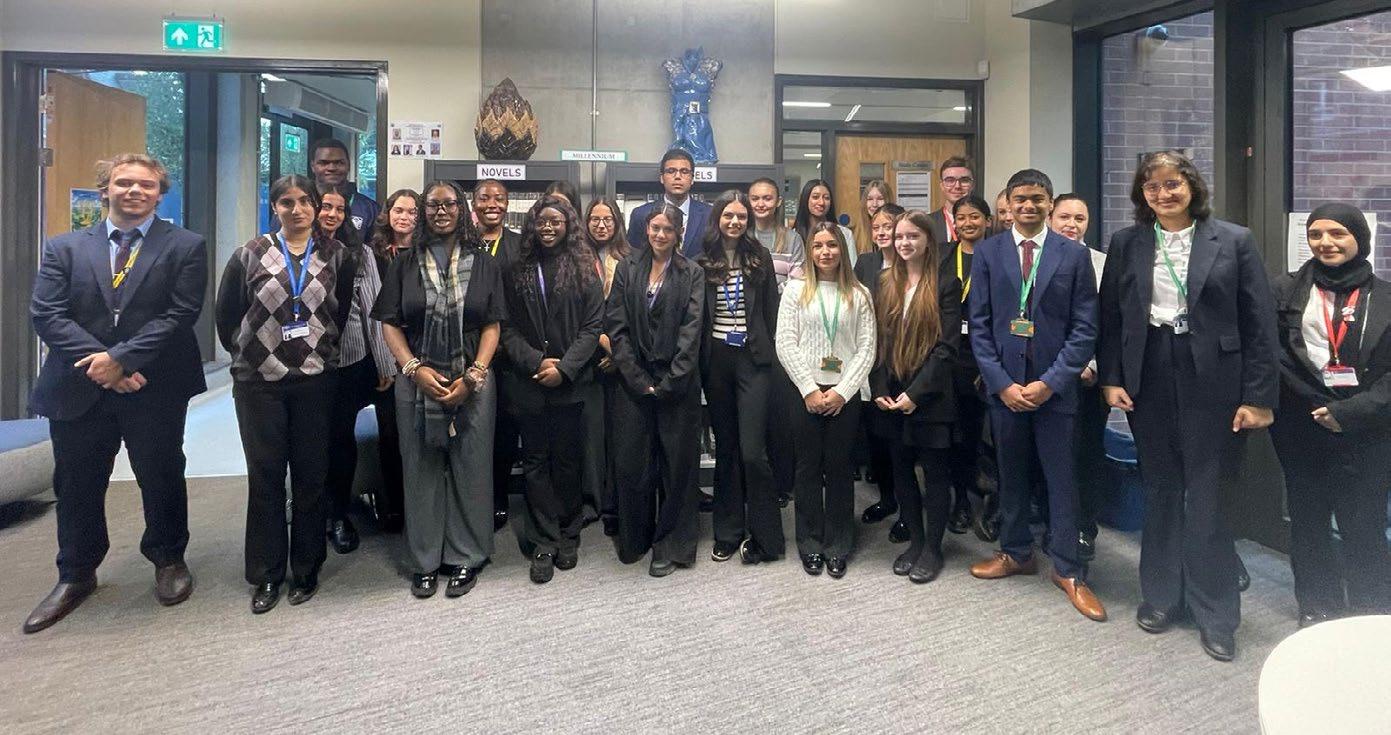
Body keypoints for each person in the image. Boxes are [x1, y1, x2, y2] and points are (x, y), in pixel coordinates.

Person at [1097, 150, 1278, 661]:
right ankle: (1161, 597)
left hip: (1214, 379)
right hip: (1149, 371)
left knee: (1208, 495)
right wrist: (1111, 379)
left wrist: (1259, 397)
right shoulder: (1127, 242)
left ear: (1192, 186)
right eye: (1152, 187)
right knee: (1159, 488)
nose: (1163, 194)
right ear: (1142, 195)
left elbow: (1260, 323)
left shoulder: (1234, 240)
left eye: (1173, 184)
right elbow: (1112, 317)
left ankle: (1215, 612)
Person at [24, 153, 207, 634]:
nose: (135, 191)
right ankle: (76, 573)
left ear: (160, 193)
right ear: (105, 189)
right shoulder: (64, 248)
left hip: (154, 384)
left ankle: (168, 558)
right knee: (76, 483)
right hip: (79, 384)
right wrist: (104, 363)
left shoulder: (185, 245)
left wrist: (123, 360)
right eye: (124, 183)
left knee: (161, 474)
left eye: (146, 184)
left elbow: (181, 313)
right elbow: (47, 314)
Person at [967, 168, 1105, 622]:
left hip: (1055, 391)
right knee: (1011, 475)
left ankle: (1068, 569)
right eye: (1021, 198)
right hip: (1005, 389)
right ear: (1008, 203)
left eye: (1037, 198)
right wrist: (1002, 384)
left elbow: (1084, 329)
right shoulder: (988, 252)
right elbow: (980, 325)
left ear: (1050, 203)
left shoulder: (1073, 255)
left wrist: (1050, 382)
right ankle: (1016, 552)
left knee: (1061, 480)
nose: (1028, 206)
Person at [216, 175, 358, 613]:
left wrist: (317, 351)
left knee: (312, 477)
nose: (296, 210)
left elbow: (340, 311)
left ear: (316, 206)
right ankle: (266, 573)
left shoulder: (338, 255)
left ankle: (307, 568)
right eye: (286, 202)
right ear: (274, 207)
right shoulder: (249, 254)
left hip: (315, 381)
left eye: (304, 201)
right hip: (259, 383)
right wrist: (255, 354)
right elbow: (226, 318)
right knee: (266, 477)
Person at [373, 180, 506, 599]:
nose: (442, 211)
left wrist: (475, 374)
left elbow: (493, 324)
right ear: (424, 211)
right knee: (420, 468)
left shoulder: (484, 263)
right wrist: (413, 369)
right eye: (433, 205)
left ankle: (467, 555)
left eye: (450, 204)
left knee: (471, 466)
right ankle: (426, 559)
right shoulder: (403, 263)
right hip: (417, 377)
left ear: (462, 210)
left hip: (473, 376)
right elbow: (389, 322)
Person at [1270, 203, 1391, 626]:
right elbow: (1274, 355)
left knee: (1365, 523)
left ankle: (1371, 610)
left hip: (1368, 428)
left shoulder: (1386, 297)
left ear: (1360, 239)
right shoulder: (1283, 291)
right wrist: (1316, 405)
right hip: (1302, 426)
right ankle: (1317, 607)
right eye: (1316, 234)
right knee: (1308, 522)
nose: (1325, 242)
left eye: (1338, 233)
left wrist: (1349, 411)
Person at [499, 196, 603, 583]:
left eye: (556, 221)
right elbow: (505, 326)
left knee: (568, 462)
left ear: (568, 225)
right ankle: (544, 539)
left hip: (569, 384)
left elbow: (593, 327)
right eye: (542, 221)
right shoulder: (516, 269)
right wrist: (535, 361)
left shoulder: (584, 268)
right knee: (535, 462)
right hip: (529, 382)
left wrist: (565, 368)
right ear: (532, 224)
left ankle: (568, 533)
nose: (548, 227)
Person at [606, 204, 706, 576]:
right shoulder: (626, 268)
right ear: (646, 229)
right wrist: (637, 378)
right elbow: (616, 325)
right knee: (633, 462)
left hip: (678, 381)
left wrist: (671, 380)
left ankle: (672, 544)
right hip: (633, 381)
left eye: (667, 229)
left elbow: (692, 331)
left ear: (679, 233)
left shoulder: (692, 272)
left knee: (677, 467)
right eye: (655, 227)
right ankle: (636, 537)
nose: (660, 235)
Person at [776, 223, 876, 578]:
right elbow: (785, 342)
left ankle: (837, 544)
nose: (825, 252)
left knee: (839, 467)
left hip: (844, 393)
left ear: (841, 250)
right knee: (806, 467)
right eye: (817, 246)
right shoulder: (795, 290)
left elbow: (867, 348)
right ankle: (809, 542)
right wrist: (808, 388)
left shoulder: (859, 293)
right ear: (810, 251)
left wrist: (842, 392)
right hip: (803, 390)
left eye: (832, 245)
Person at [869, 209, 960, 583]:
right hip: (891, 395)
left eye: (912, 236)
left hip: (930, 396)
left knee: (935, 475)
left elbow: (947, 347)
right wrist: (878, 388)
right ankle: (916, 542)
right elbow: (875, 340)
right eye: (899, 236)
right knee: (901, 471)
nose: (904, 243)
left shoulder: (946, 283)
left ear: (928, 241)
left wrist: (916, 394)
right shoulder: (885, 282)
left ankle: (933, 548)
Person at [698, 191, 784, 564]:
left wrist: (774, 356)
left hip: (753, 360)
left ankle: (767, 537)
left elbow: (771, 311)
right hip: (717, 361)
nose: (735, 222)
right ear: (717, 218)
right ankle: (728, 532)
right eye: (728, 215)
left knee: (752, 450)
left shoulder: (759, 257)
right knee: (727, 449)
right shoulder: (702, 260)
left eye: (741, 216)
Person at [317, 184, 398, 554]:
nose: (332, 214)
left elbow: (374, 309)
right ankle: (317, 511)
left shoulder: (360, 252)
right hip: (304, 363)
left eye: (339, 209)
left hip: (349, 358)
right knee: (316, 441)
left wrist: (383, 361)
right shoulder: (292, 248)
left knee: (343, 438)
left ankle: (343, 513)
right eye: (325, 206)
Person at [358, 189, 423, 530]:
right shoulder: (373, 253)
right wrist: (386, 360)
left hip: (423, 348)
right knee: (391, 433)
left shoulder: (428, 251)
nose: (405, 217)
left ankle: (422, 504)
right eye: (399, 210)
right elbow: (372, 308)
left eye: (412, 212)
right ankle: (395, 506)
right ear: (388, 213)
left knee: (422, 431)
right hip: (385, 352)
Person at [1048, 194, 1107, 562]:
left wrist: (1093, 365)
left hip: (1087, 378)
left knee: (1085, 455)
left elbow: (1111, 324)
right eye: (1064, 217)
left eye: (1079, 218)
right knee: (1049, 456)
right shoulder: (1035, 259)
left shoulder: (1102, 263)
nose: (1071, 224)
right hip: (1045, 377)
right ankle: (1053, 526)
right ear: (1050, 219)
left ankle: (1084, 528)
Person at [941, 195, 1000, 542]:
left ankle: (993, 500)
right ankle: (960, 500)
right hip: (951, 353)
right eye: (961, 217)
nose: (967, 223)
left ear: (987, 221)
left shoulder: (999, 255)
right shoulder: (943, 256)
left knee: (988, 433)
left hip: (988, 354)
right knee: (958, 431)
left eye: (974, 217)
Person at [854, 203, 909, 542]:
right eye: (876, 227)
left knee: (900, 442)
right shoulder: (866, 263)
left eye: (888, 226)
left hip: (903, 361)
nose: (882, 232)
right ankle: (887, 500)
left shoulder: (911, 263)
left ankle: (908, 510)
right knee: (877, 438)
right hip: (871, 361)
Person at [473, 178, 525, 531]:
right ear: (473, 204)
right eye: (484, 197)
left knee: (504, 428)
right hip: (467, 349)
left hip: (508, 354)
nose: (492, 203)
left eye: (499, 198)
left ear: (507, 205)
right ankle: (470, 497)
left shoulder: (520, 246)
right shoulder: (462, 243)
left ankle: (497, 496)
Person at [584, 198, 632, 537]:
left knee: (620, 435)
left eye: (608, 219)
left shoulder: (632, 259)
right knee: (590, 436)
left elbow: (636, 311)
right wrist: (600, 342)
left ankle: (616, 503)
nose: (601, 226)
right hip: (586, 357)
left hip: (621, 358)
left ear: (617, 223)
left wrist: (619, 352)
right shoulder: (576, 259)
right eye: (595, 219)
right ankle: (592, 502)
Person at [627, 149, 711, 256]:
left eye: (684, 172)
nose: (678, 176)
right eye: (671, 171)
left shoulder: (709, 215)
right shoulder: (640, 214)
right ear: (662, 178)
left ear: (692, 178)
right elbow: (633, 258)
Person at [309, 138, 379, 242]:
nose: (331, 168)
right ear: (312, 166)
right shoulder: (299, 204)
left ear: (349, 165)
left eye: (339, 163)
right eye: (323, 163)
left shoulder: (370, 209)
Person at [788, 179, 856, 273]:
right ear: (805, 200)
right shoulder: (794, 235)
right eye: (815, 197)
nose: (821, 202)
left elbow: (851, 268)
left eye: (826, 198)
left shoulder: (844, 233)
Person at [748, 177, 796, 288]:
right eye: (755, 199)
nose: (760, 204)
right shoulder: (742, 237)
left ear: (778, 201)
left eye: (767, 198)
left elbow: (798, 280)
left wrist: (772, 294)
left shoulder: (792, 239)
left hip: (783, 298)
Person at [926, 157, 975, 245]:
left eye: (964, 180)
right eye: (950, 180)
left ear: (972, 185)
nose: (957, 186)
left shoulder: (986, 223)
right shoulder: (927, 223)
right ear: (942, 185)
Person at [854, 179, 893, 254]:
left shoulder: (898, 230)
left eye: (880, 199)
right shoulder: (856, 235)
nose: (874, 204)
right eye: (870, 199)